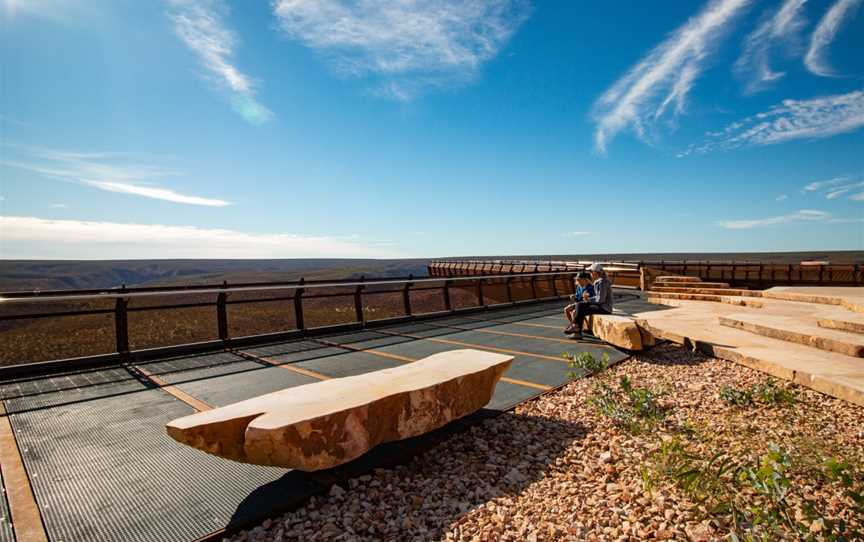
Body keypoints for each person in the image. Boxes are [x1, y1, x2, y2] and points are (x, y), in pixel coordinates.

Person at [565, 263, 614, 339]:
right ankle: (576, 327)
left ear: (595, 272)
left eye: (591, 271)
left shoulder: (602, 282)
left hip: (604, 308)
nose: (590, 273)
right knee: (579, 305)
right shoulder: (599, 281)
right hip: (600, 305)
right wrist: (587, 299)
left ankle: (576, 329)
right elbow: (598, 298)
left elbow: (601, 299)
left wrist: (588, 299)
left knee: (580, 308)